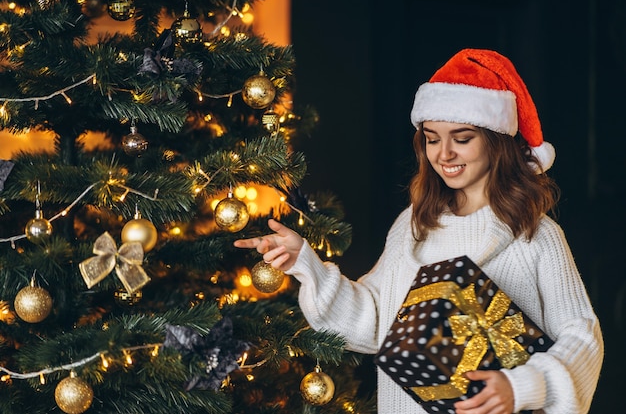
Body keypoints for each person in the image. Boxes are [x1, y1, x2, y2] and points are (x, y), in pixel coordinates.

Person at [234, 48, 603, 414]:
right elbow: (375, 322)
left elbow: (582, 336)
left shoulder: (535, 234)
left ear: (496, 142)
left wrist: (522, 386)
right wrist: (305, 262)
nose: (444, 154)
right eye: (431, 138)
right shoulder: (413, 225)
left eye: (462, 138)